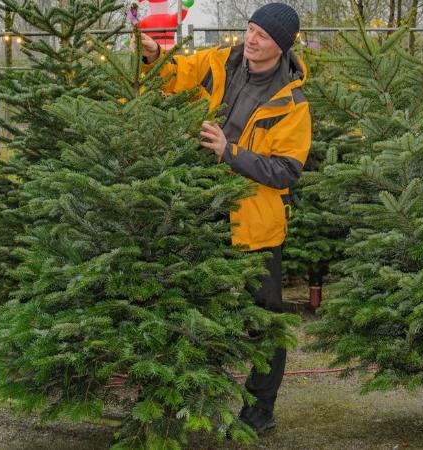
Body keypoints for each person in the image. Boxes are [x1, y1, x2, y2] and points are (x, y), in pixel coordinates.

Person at [138, 2, 311, 436]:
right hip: (203, 209)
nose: (251, 40)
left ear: (281, 46)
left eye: (263, 36)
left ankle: (259, 410)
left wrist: (228, 152)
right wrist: (153, 59)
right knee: (192, 305)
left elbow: (286, 170)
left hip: (256, 222)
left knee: (264, 318)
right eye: (250, 30)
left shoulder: (290, 100)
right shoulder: (222, 61)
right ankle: (187, 400)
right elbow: (176, 75)